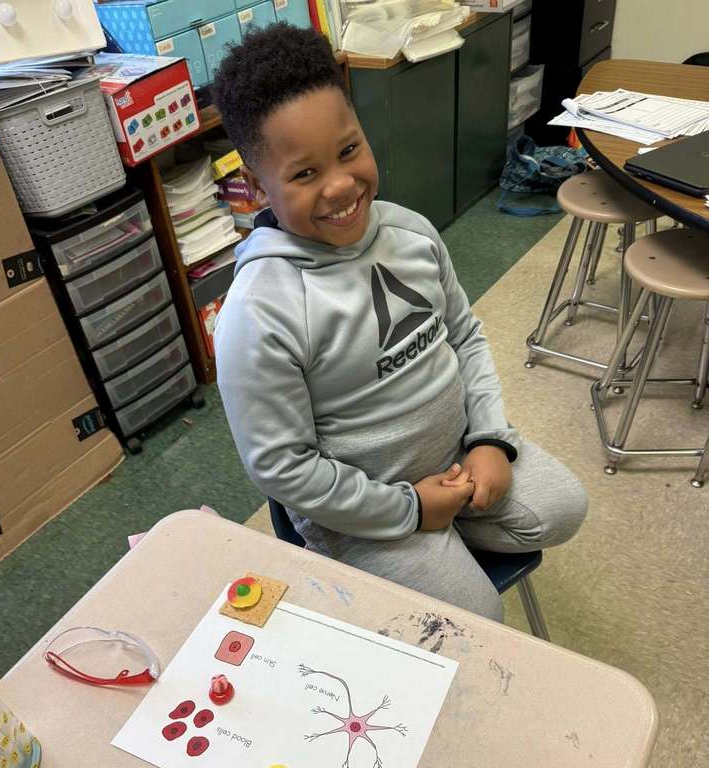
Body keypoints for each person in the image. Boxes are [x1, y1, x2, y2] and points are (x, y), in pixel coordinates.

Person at [212, 24, 587, 622]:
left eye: (349, 150)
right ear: (257, 186)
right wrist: (409, 511)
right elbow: (283, 468)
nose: (340, 186)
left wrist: (490, 438)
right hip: (362, 509)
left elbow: (464, 335)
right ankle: (418, 552)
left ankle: (442, 542)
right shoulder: (258, 314)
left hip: (457, 459)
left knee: (563, 508)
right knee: (480, 621)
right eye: (303, 174)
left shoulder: (409, 230)